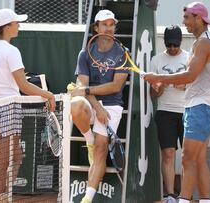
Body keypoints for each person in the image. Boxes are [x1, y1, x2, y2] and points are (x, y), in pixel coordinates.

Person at [144, 2, 210, 203]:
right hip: (202, 107)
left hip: (200, 107)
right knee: (199, 160)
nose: (184, 22)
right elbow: (191, 77)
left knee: (187, 158)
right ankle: (204, 201)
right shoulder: (202, 42)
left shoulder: (204, 43)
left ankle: (184, 200)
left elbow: (189, 75)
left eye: (187, 17)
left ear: (198, 18)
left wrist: (158, 77)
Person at [0, 8, 56, 203]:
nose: (19, 25)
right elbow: (23, 85)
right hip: (7, 110)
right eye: (16, 23)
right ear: (7, 27)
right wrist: (48, 95)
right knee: (3, 160)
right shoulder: (11, 51)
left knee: (16, 156)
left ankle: (4, 196)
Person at [68, 9, 129, 203]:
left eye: (112, 25)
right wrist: (96, 106)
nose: (109, 28)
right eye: (105, 24)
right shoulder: (85, 53)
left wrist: (88, 94)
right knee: (76, 104)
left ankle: (87, 198)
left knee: (102, 148)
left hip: (113, 105)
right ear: (96, 27)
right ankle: (89, 139)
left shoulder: (123, 53)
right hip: (93, 104)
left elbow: (115, 86)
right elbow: (81, 88)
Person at [150, 25, 189, 203]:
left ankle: (186, 195)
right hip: (165, 112)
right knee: (168, 154)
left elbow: (197, 85)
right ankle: (171, 194)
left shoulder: (189, 57)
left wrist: (184, 86)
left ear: (180, 42)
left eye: (175, 45)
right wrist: (161, 86)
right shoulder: (157, 60)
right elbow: (153, 94)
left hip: (187, 111)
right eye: (169, 45)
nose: (172, 48)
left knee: (189, 156)